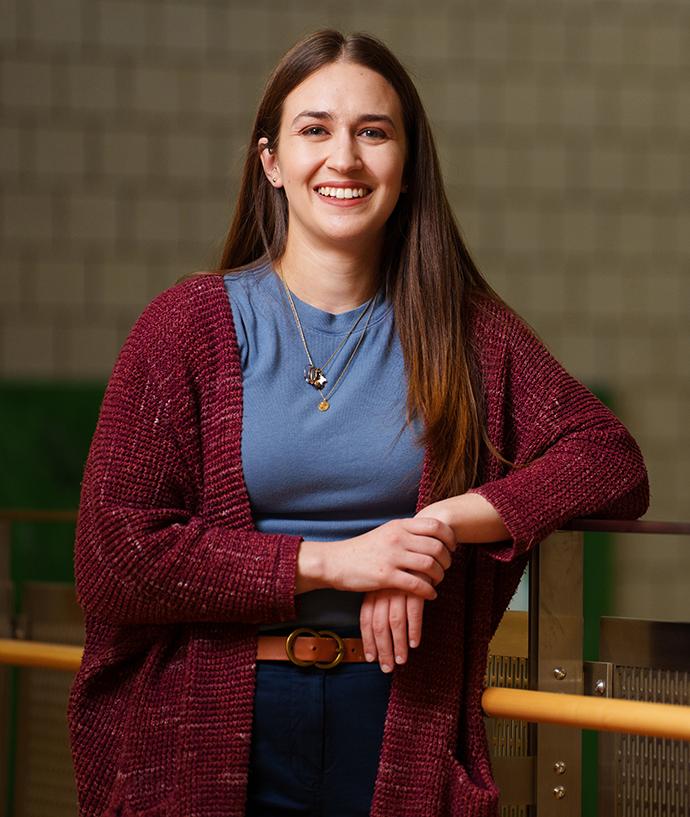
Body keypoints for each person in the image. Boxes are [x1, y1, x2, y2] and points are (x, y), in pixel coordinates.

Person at [67, 29, 649, 817]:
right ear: (270, 161)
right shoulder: (188, 324)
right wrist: (336, 562)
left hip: (397, 716)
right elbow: (113, 555)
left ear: (406, 170)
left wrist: (438, 527)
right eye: (315, 130)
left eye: (373, 132)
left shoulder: (464, 330)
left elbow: (609, 458)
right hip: (211, 718)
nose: (343, 158)